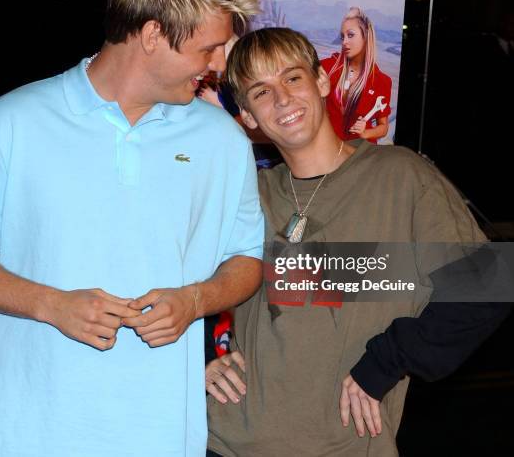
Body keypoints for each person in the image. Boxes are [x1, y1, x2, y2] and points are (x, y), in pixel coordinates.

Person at [0, 0, 265, 456]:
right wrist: (52, 305)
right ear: (153, 34)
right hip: (15, 432)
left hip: (153, 435)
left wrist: (194, 300)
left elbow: (245, 259)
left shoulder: (222, 141)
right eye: (209, 47)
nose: (220, 65)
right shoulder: (13, 121)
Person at [205, 28, 510, 456]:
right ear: (249, 117)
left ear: (322, 80)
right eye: (261, 91)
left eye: (292, 78)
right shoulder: (248, 193)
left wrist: (386, 360)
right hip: (230, 442)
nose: (283, 99)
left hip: (346, 447)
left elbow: (488, 289)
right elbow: (175, 283)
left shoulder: (401, 178)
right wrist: (200, 359)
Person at [322, 7, 392, 143]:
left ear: (365, 36)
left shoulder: (381, 81)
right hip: (329, 151)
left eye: (350, 35)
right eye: (342, 37)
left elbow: (383, 127)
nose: (344, 42)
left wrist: (365, 132)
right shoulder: (328, 67)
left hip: (360, 154)